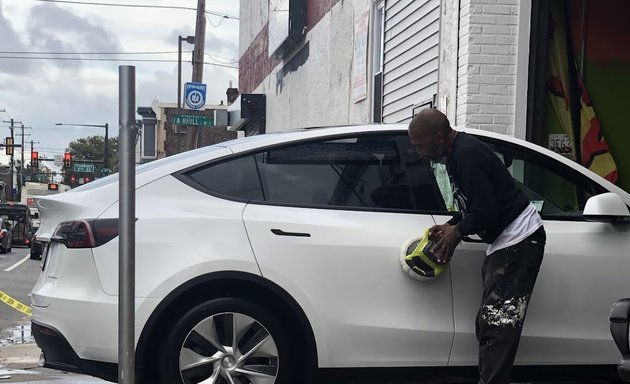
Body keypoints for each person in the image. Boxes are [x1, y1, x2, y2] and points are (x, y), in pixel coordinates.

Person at [408, 108, 546, 384]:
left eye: (420, 146)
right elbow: (476, 205)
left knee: (498, 325)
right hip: (507, 239)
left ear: (439, 137)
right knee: (489, 324)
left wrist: (457, 232)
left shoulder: (466, 157)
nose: (419, 153)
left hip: (518, 237)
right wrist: (452, 224)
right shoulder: (456, 154)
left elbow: (486, 213)